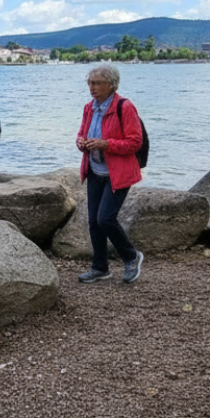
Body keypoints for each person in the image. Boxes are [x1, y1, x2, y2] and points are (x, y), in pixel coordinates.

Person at [75, 64, 145, 284]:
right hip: (95, 171)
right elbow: (82, 133)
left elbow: (135, 142)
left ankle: (131, 256)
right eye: (90, 83)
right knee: (94, 222)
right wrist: (81, 142)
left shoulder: (125, 106)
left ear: (112, 85)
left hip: (118, 174)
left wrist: (107, 144)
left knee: (105, 219)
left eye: (97, 83)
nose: (92, 87)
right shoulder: (89, 107)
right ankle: (100, 267)